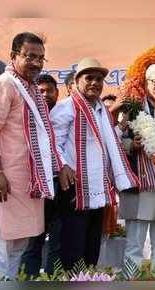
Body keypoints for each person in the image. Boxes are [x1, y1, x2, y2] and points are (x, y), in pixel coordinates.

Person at [0, 32, 61, 279]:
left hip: (29, 185)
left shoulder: (32, 90)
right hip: (4, 183)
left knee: (18, 248)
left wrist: (60, 165)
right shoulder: (3, 84)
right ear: (14, 56)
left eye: (41, 58)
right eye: (30, 56)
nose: (36, 63)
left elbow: (45, 137)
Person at [50, 57, 138, 270]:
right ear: (77, 81)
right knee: (72, 250)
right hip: (73, 190)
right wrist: (62, 166)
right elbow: (52, 142)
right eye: (89, 78)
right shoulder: (66, 107)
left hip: (97, 191)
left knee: (91, 251)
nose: (95, 83)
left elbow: (106, 145)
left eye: (99, 79)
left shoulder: (101, 111)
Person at [118, 64, 155, 278]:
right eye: (154, 82)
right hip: (140, 185)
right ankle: (130, 283)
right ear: (146, 82)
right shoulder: (131, 109)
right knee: (135, 242)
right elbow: (114, 141)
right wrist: (132, 145)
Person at [20, 74, 62, 277]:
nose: (45, 95)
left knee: (58, 242)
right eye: (41, 91)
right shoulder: (27, 116)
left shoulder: (65, 114)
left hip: (61, 187)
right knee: (34, 241)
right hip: (36, 188)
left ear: (57, 93)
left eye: (49, 91)